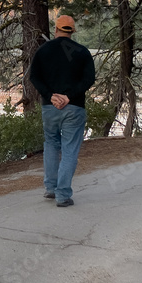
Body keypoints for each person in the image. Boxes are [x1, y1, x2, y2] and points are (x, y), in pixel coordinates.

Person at [26, 14, 96, 207]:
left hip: (49, 107)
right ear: (72, 31)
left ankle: (50, 188)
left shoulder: (43, 51)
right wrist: (69, 96)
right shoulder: (81, 52)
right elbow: (89, 79)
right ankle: (62, 195)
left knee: (51, 143)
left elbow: (34, 77)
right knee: (69, 149)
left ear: (55, 29)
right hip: (74, 107)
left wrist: (50, 96)